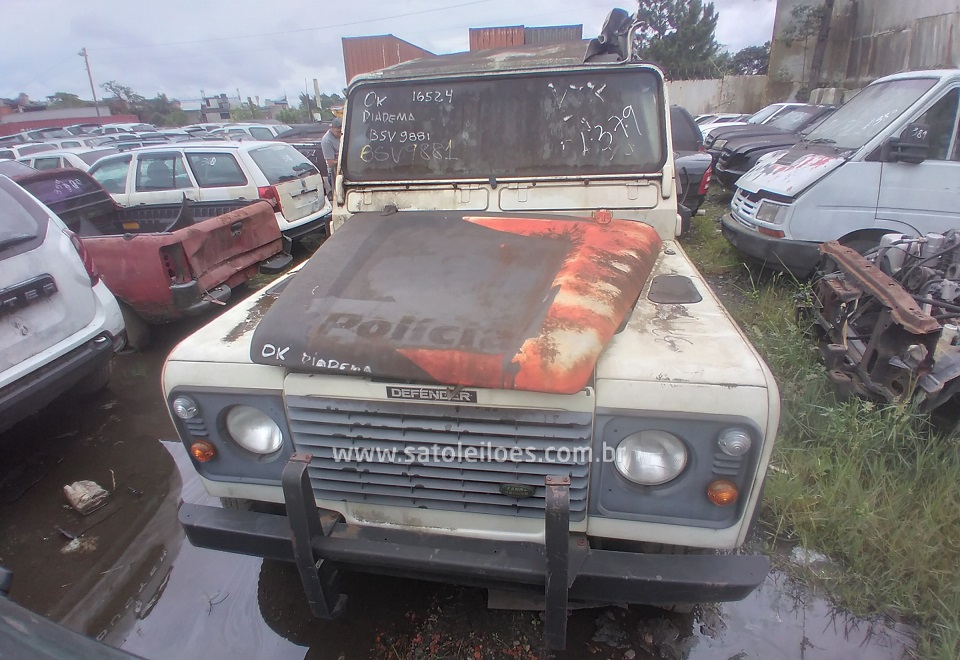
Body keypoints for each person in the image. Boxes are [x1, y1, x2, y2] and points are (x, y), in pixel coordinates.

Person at [321, 118, 342, 193]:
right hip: (334, 172)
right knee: (338, 194)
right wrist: (344, 160)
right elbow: (331, 163)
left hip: (346, 169)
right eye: (338, 130)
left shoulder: (342, 135)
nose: (340, 132)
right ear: (332, 128)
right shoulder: (327, 141)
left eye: (341, 129)